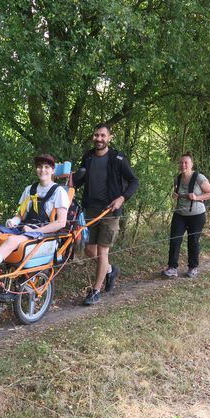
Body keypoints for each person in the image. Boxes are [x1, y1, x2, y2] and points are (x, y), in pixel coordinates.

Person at [73, 123, 139, 305]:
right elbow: (79, 179)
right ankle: (110, 271)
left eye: (103, 135)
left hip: (110, 211)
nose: (99, 139)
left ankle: (95, 291)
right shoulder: (87, 157)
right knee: (88, 248)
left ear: (110, 137)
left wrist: (122, 199)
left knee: (102, 251)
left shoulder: (118, 158)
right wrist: (67, 183)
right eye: (96, 135)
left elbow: (134, 181)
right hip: (90, 210)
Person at [161, 153, 210, 279]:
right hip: (180, 214)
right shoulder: (178, 178)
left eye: (186, 162)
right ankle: (172, 267)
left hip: (196, 215)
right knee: (175, 240)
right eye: (181, 162)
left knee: (193, 241)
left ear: (191, 164)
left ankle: (193, 267)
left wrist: (197, 197)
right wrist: (175, 196)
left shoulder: (199, 178)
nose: (183, 165)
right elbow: (178, 193)